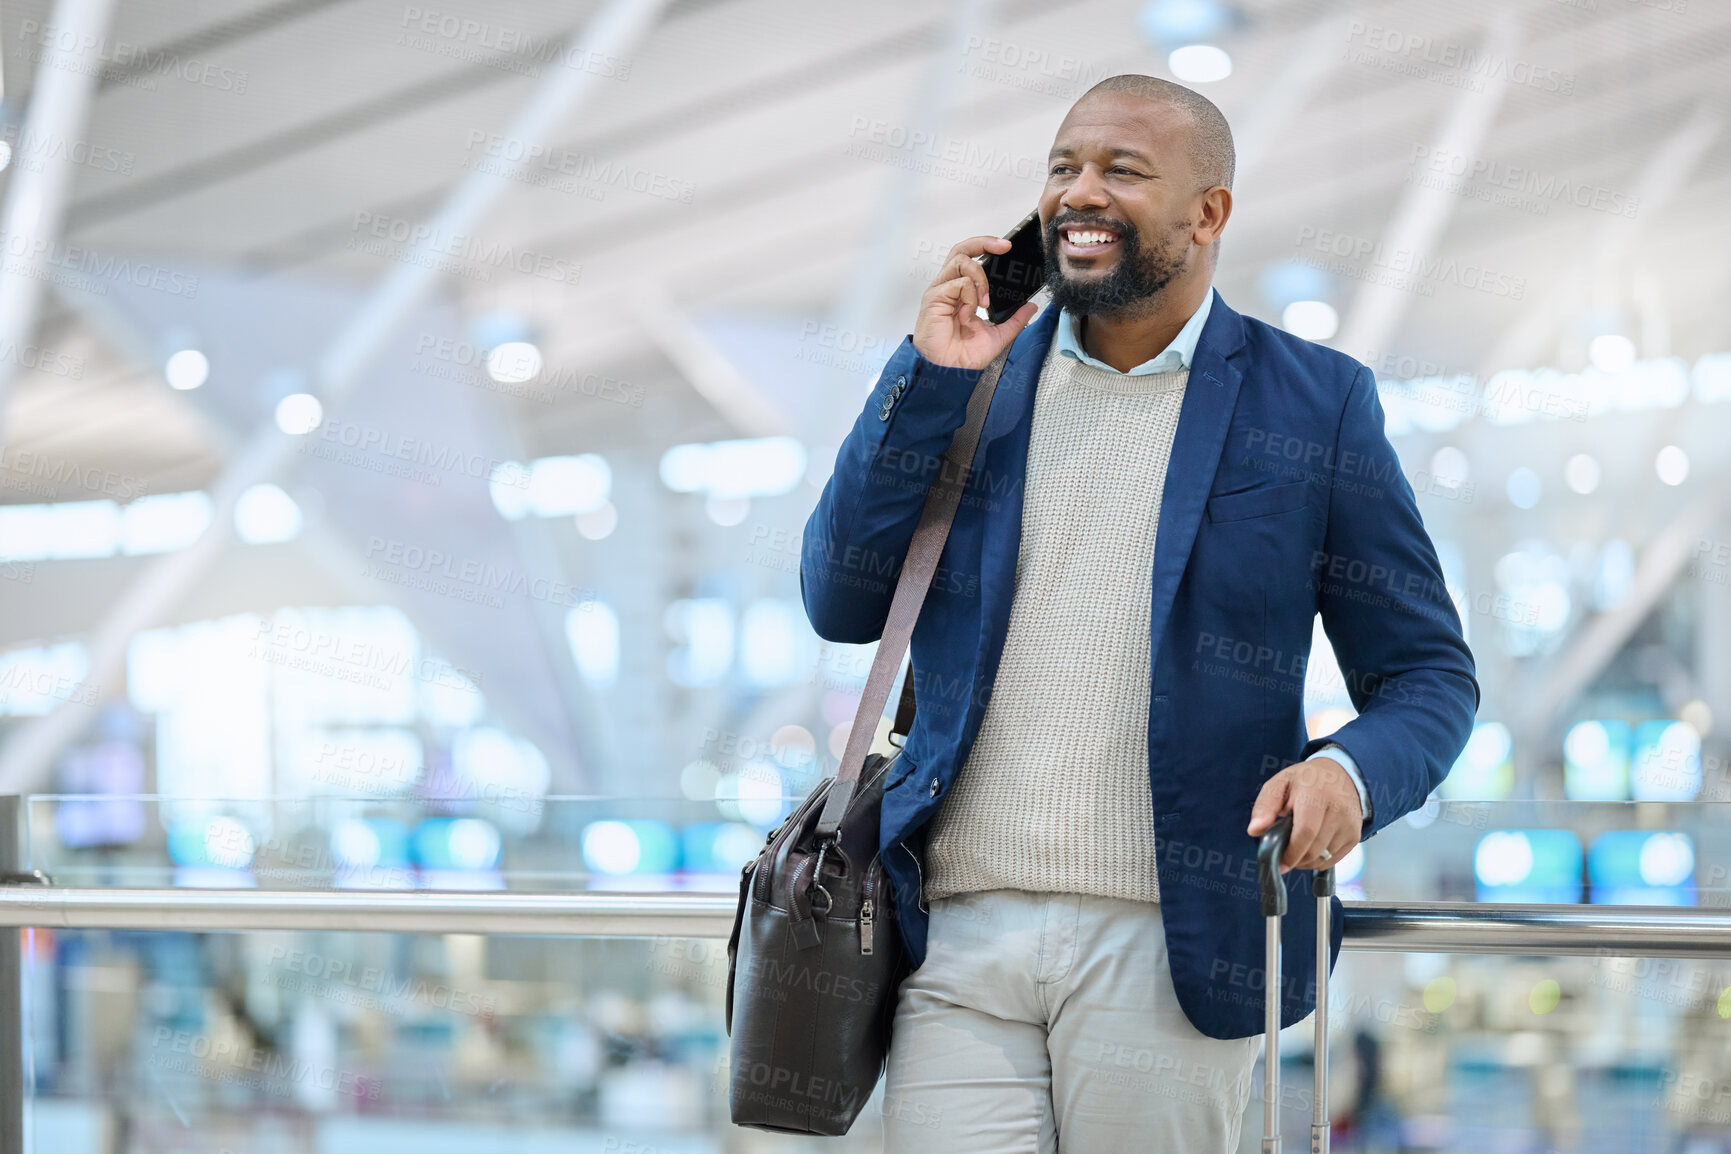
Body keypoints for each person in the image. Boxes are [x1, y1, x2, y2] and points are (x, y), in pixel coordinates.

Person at [799, 73, 1478, 1153]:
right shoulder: (972, 381)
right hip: (957, 936)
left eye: (1122, 170)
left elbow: (1428, 676)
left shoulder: (1313, 402)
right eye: (1064, 167)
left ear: (1208, 213)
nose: (1080, 192)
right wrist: (923, 375)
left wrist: (1346, 772)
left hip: (1177, 941)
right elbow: (839, 598)